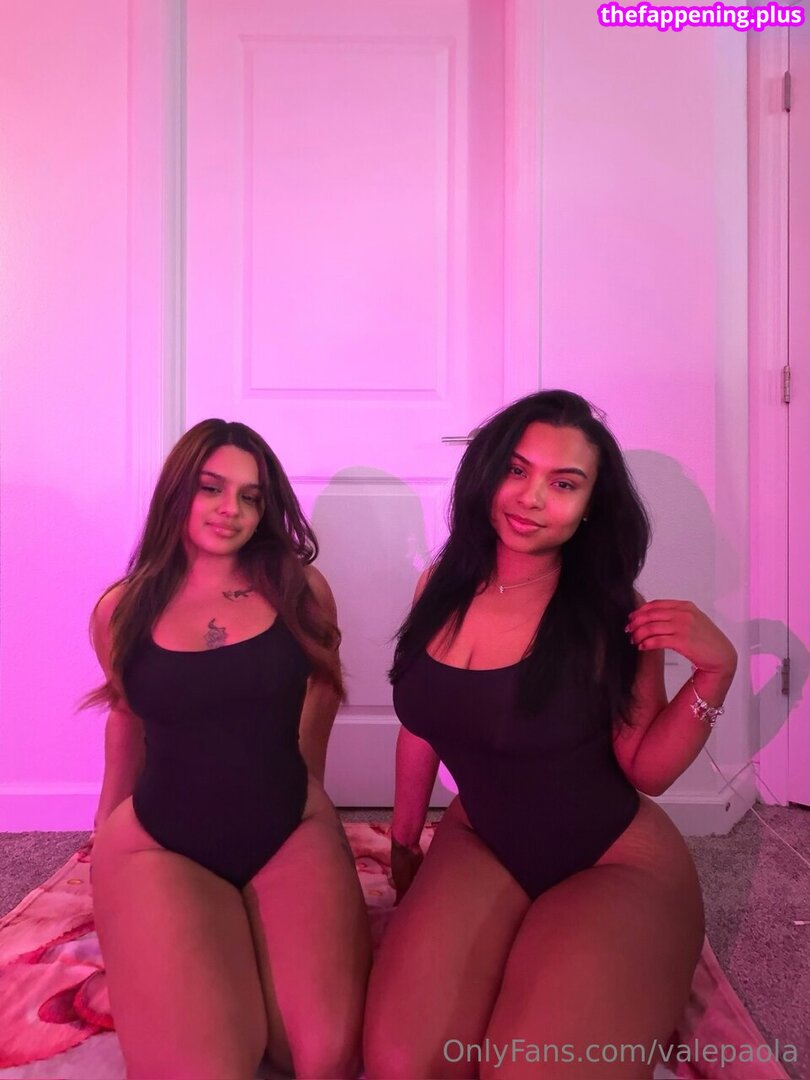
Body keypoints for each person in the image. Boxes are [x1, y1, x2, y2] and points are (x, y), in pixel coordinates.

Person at [363, 390, 737, 1079]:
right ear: (487, 473)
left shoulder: (609, 613)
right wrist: (405, 843)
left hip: (611, 862)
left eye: (563, 484)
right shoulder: (438, 586)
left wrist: (715, 673)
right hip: (482, 841)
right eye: (517, 470)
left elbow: (647, 770)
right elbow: (422, 726)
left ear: (591, 504)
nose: (531, 497)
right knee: (399, 1065)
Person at [87, 419, 371, 1079]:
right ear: (177, 492)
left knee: (324, 1058)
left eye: (250, 496)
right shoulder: (121, 609)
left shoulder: (302, 591)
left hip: (286, 827)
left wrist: (311, 795)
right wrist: (102, 839)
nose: (231, 510)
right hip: (163, 842)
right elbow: (126, 718)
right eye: (211, 488)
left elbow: (322, 694)